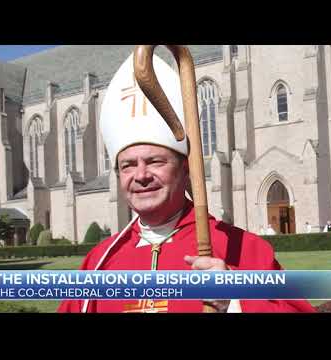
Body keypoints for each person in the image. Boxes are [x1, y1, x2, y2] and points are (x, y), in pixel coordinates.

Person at [58, 52, 315, 313]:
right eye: (128, 165)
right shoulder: (98, 263)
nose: (142, 175)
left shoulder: (244, 250)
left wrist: (235, 303)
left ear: (185, 169)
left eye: (155, 161)